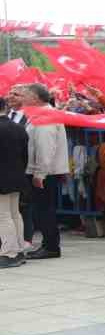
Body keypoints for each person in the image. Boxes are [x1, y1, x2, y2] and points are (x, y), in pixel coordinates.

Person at [12, 84, 69, 260]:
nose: (22, 97)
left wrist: (39, 174)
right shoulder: (40, 114)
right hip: (41, 171)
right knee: (41, 209)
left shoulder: (46, 115)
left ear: (36, 98)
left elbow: (45, 148)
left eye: (26, 94)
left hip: (46, 172)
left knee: (44, 210)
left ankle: (51, 247)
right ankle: (48, 244)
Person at [0, 98, 29, 268]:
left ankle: (8, 252)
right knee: (14, 214)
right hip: (17, 176)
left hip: (2, 178)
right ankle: (18, 250)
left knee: (3, 216)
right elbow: (24, 155)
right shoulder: (19, 128)